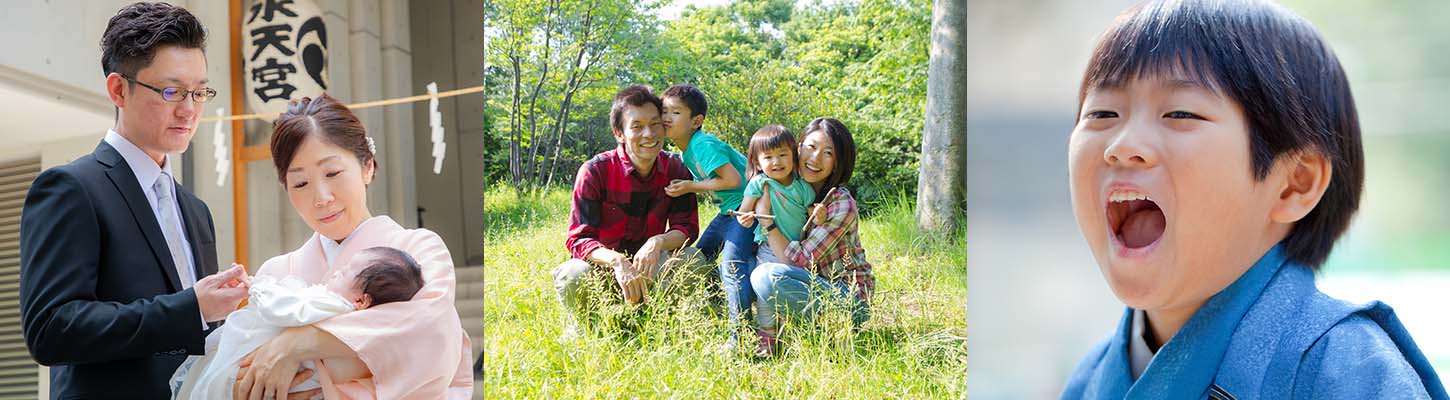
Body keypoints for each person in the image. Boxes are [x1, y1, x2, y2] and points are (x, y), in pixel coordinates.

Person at [1059, 1, 1447, 398]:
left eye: (1179, 113)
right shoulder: (1090, 379)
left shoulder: (1347, 370)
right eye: (1102, 113)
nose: (1122, 147)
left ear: (1294, 184)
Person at [18, 3, 251, 397]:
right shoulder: (70, 188)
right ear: (118, 89)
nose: (189, 110)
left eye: (199, 92)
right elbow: (52, 328)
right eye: (171, 91)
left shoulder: (196, 211)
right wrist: (191, 307)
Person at [231, 94, 473, 399]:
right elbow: (245, 368)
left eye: (332, 173)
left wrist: (294, 344)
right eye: (300, 183)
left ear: (367, 167)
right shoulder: (276, 273)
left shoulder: (419, 249)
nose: (322, 197)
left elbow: (432, 330)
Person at [553, 84, 709, 333]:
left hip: (651, 267)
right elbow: (579, 239)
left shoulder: (675, 168)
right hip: (604, 271)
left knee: (694, 259)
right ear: (619, 133)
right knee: (573, 272)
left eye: (655, 124)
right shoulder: (595, 171)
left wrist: (657, 242)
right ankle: (585, 331)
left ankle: (664, 324)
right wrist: (617, 262)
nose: (648, 134)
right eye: (636, 126)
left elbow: (687, 229)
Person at [175, 247, 426, 399]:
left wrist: (257, 286)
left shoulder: (332, 306)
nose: (337, 271)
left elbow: (284, 310)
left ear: (361, 300)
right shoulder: (353, 322)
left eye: (347, 271)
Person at [750, 118, 874, 357]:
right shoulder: (785, 186)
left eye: (828, 153)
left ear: (839, 161)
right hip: (806, 285)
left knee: (766, 277)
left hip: (846, 298)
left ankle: (829, 330)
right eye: (811, 147)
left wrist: (766, 220)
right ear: (798, 147)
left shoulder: (840, 203)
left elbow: (800, 262)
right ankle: (779, 329)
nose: (815, 158)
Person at [658, 83, 755, 349]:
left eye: (676, 113)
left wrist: (690, 186)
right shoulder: (685, 150)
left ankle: (741, 336)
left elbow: (733, 180)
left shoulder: (703, 144)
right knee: (700, 258)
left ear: (696, 121)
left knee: (732, 266)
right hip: (727, 213)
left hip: (746, 211)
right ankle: (719, 307)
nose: (667, 118)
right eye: (664, 111)